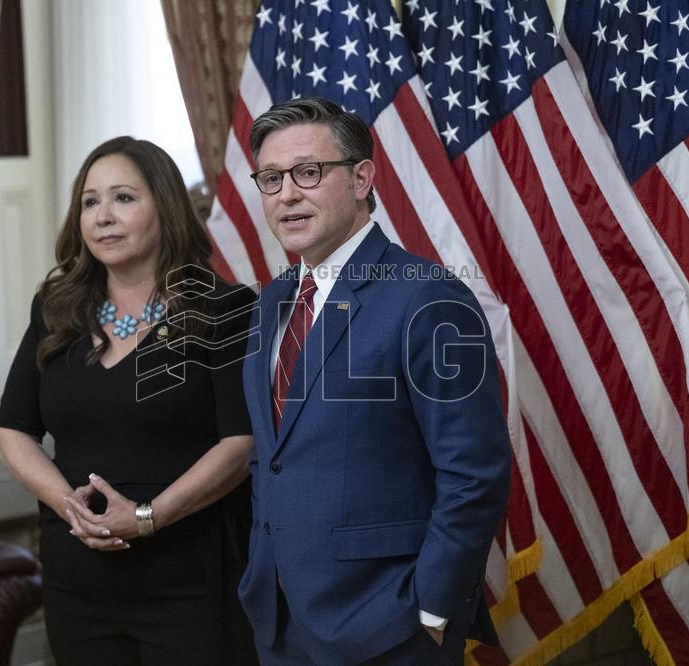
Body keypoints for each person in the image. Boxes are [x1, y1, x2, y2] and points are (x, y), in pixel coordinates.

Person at [238, 98, 512, 665]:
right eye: (270, 178)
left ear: (362, 177)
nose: (287, 194)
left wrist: (431, 611)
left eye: (308, 172)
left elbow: (474, 473)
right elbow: (274, 458)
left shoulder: (427, 297)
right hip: (281, 623)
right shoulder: (271, 304)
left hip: (390, 626)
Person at [0, 136, 257, 665]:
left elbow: (241, 442)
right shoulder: (55, 308)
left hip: (190, 580)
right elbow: (12, 429)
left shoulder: (223, 309)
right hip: (78, 584)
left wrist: (146, 517)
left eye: (123, 198)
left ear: (165, 206)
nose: (103, 217)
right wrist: (69, 504)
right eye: (90, 202)